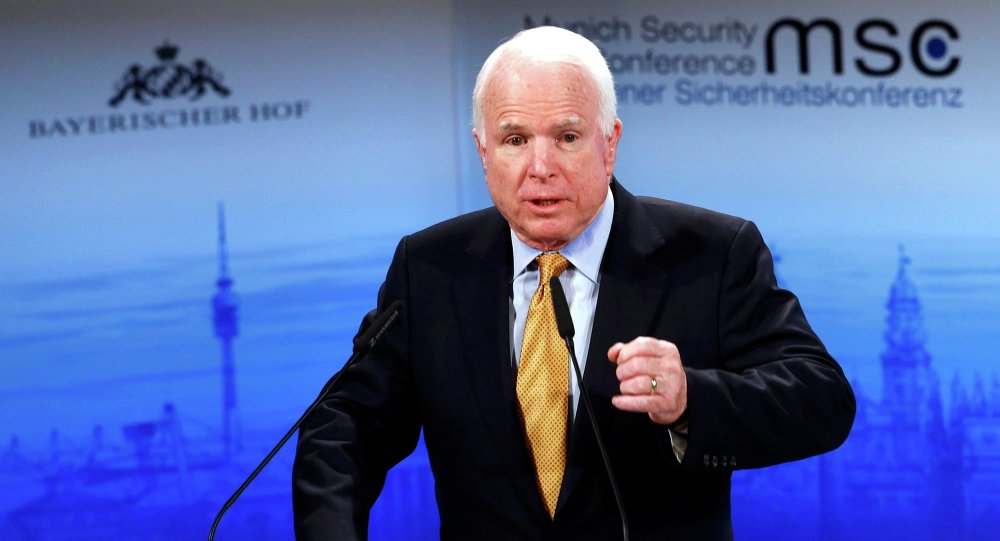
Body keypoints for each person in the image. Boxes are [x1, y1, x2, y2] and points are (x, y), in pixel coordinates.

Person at [293, 26, 855, 540]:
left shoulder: (711, 255)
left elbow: (821, 399)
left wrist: (691, 399)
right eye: (514, 139)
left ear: (609, 144)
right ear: (483, 151)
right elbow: (346, 426)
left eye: (566, 136)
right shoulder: (431, 267)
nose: (541, 166)